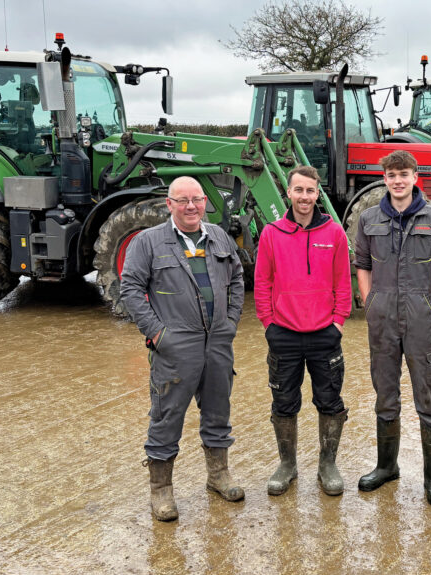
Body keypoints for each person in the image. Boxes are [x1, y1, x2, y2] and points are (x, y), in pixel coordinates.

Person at [120, 176, 246, 522]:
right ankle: (161, 490)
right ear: (169, 204)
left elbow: (236, 277)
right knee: (166, 417)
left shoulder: (217, 236)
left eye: (197, 199)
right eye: (183, 200)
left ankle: (218, 475)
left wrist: (230, 321)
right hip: (176, 344)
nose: (191, 206)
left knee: (218, 410)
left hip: (218, 341)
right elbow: (130, 288)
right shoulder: (148, 242)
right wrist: (158, 334)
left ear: (206, 201)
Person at [353, 150, 431, 506]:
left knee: (426, 395)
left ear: (415, 177)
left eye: (404, 174)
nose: (398, 180)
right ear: (385, 179)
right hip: (382, 317)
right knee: (385, 393)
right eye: (391, 175)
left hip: (420, 316)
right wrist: (370, 299)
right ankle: (386, 467)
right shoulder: (368, 219)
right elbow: (361, 263)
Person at [255, 165, 352, 497]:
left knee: (330, 400)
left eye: (310, 191)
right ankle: (287, 465)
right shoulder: (272, 233)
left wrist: (338, 321)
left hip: (325, 333)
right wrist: (268, 323)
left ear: (317, 193)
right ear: (289, 192)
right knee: (283, 402)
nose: (304, 197)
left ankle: (327, 465)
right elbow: (262, 282)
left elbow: (343, 281)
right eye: (299, 190)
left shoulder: (334, 233)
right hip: (283, 333)